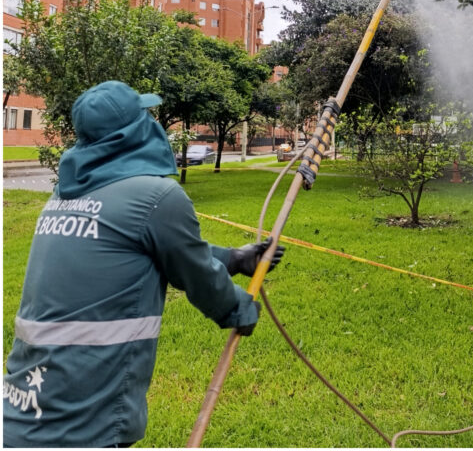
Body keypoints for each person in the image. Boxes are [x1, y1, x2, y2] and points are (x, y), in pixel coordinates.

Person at [3, 81, 285, 447]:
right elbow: (198, 276)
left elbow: (139, 247)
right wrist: (237, 309)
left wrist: (233, 258)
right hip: (86, 419)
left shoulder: (65, 195)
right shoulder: (157, 196)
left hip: (22, 409)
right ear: (133, 131)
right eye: (145, 116)